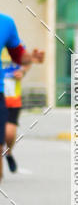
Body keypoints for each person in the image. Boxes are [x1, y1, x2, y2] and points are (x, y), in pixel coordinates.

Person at [0, 12, 44, 181]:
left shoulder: (6, 25)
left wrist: (29, 61)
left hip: (10, 95)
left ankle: (8, 151)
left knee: (9, 134)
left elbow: (20, 56)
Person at [1, 48, 31, 173]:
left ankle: (9, 153)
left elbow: (27, 63)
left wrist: (23, 72)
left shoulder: (16, 48)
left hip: (12, 101)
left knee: (9, 133)